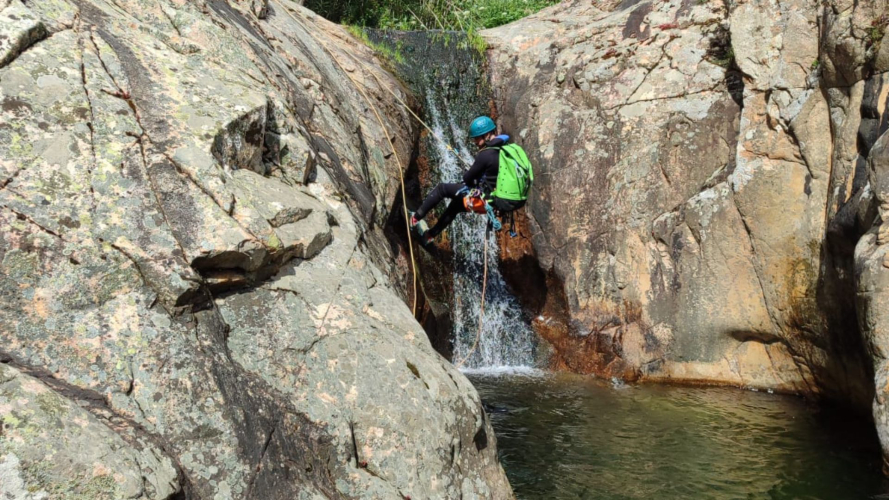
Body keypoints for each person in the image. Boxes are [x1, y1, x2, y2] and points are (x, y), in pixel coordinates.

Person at [410, 116, 508, 246]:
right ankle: (429, 236)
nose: (475, 142)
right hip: (496, 202)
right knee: (456, 206)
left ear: (486, 135)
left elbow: (467, 178)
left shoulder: (486, 154)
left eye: (477, 138)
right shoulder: (506, 150)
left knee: (442, 189)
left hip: (483, 200)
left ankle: (415, 218)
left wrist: (473, 175)